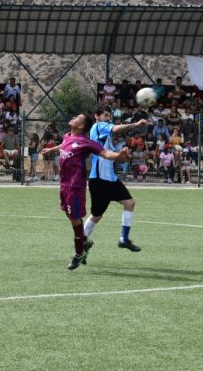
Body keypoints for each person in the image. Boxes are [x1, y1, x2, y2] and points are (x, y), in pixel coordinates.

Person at [41, 112, 129, 270]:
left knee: (75, 219)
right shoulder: (68, 136)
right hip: (64, 185)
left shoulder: (87, 142)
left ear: (81, 126)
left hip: (75, 186)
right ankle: (84, 241)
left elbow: (105, 153)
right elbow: (64, 145)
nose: (73, 118)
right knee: (72, 219)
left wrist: (119, 155)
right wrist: (51, 150)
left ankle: (79, 252)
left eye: (77, 118)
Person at [86, 106, 150, 254]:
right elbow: (115, 129)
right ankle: (80, 241)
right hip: (100, 179)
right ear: (97, 116)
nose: (108, 118)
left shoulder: (104, 136)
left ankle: (124, 239)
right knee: (96, 215)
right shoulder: (98, 126)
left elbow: (110, 155)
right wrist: (135, 124)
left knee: (129, 203)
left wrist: (123, 155)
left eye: (109, 116)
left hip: (109, 178)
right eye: (105, 115)